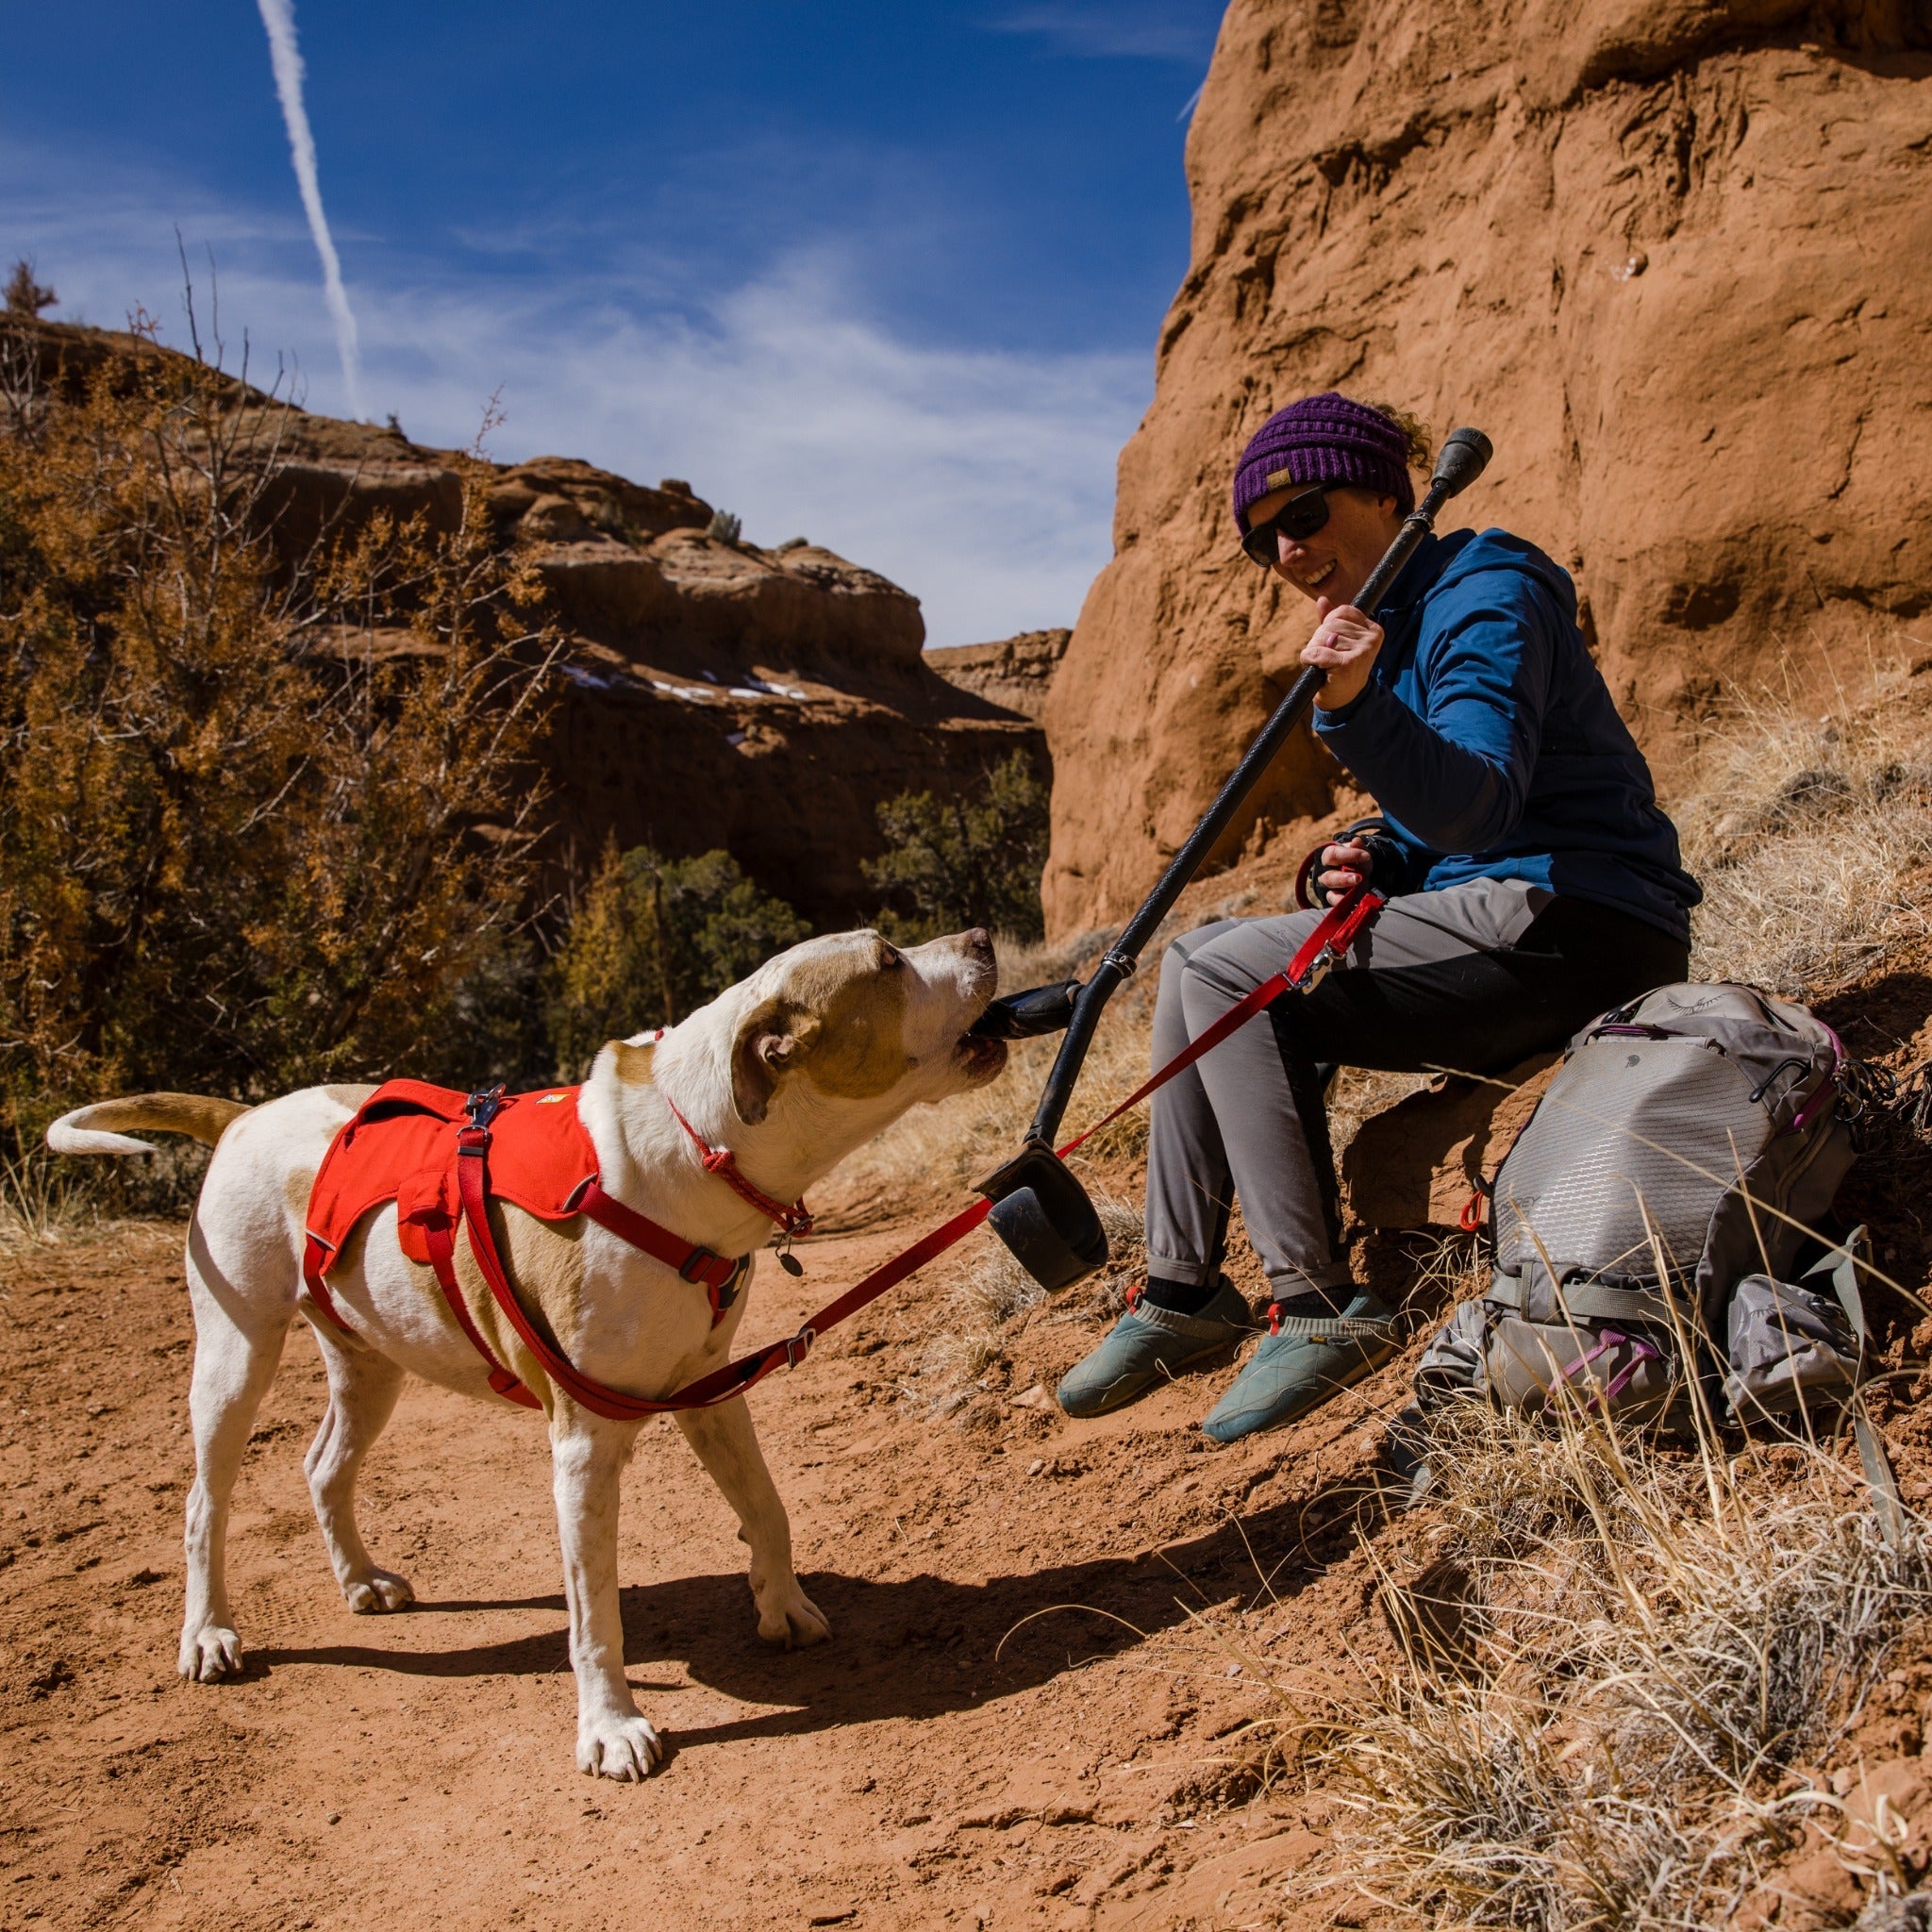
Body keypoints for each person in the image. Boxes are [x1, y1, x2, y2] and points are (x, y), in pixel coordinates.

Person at [1057, 392, 1700, 1443]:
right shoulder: (1396, 623)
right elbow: (1441, 822)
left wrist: (1355, 707)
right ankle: (1181, 1289)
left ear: (1387, 494)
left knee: (1220, 972)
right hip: (1508, 909)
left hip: (1578, 918)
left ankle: (1313, 1307)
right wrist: (1372, 854)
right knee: (1196, 964)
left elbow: (1484, 800)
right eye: (1263, 537)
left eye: (1302, 513)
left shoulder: (1485, 589)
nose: (1286, 550)